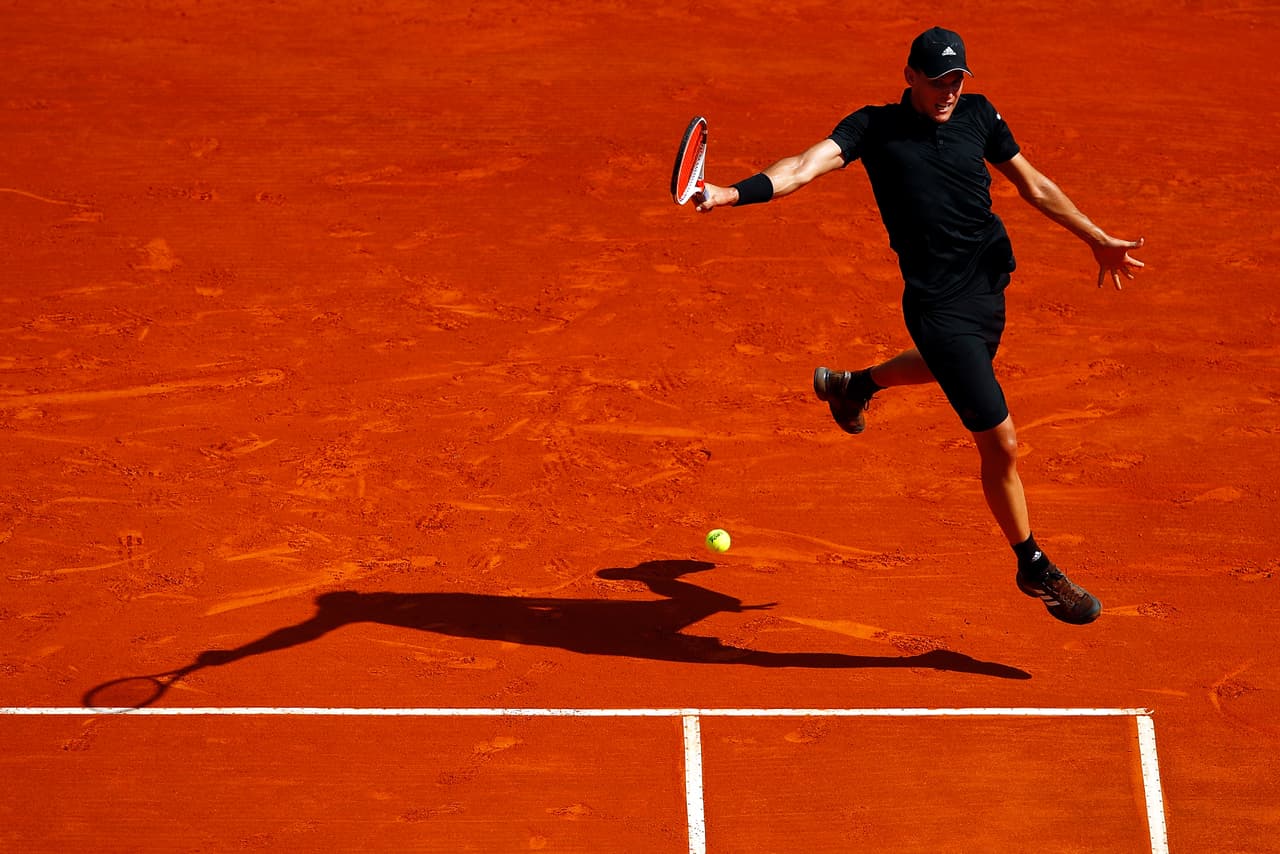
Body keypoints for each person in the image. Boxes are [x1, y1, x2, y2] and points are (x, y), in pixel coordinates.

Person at [693, 27, 1144, 625]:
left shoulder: (980, 115)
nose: (948, 92)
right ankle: (1032, 564)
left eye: (957, 80)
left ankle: (855, 386)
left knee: (954, 368)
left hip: (987, 289)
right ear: (910, 76)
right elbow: (804, 166)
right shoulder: (873, 128)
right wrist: (730, 193)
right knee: (1001, 439)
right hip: (936, 305)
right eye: (937, 81)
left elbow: (1033, 185)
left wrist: (1097, 238)